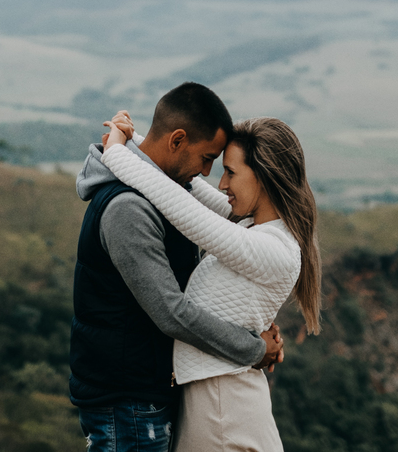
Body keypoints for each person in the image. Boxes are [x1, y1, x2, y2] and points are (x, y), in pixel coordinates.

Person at [69, 82, 284, 452]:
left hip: (143, 395)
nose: (206, 173)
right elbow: (171, 310)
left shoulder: (162, 194)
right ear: (177, 140)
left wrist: (252, 318)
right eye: (206, 158)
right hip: (129, 403)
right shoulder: (129, 209)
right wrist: (251, 349)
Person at [98, 110, 321, 452]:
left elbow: (181, 206)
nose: (222, 183)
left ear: (263, 177)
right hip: (216, 395)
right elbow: (191, 187)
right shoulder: (252, 227)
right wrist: (139, 139)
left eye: (230, 172)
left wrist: (115, 152)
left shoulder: (269, 247)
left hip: (222, 406)